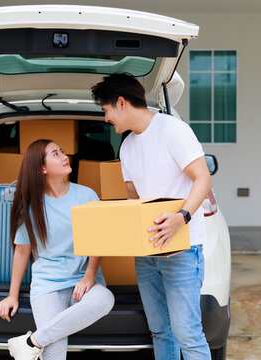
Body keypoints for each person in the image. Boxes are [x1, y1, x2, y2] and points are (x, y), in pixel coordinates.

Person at [91, 73, 213, 360]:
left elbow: (203, 179)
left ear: (121, 103)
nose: (106, 118)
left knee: (187, 334)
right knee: (160, 330)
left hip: (182, 249)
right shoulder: (128, 147)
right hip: (147, 253)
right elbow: (136, 199)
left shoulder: (173, 130)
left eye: (105, 110)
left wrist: (181, 217)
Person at [0, 139, 115, 360]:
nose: (64, 156)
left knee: (105, 299)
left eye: (62, 151)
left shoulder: (86, 195)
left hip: (83, 281)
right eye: (56, 154)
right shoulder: (31, 206)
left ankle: (31, 342)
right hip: (47, 286)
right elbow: (21, 252)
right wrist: (12, 295)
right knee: (54, 353)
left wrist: (88, 277)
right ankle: (39, 341)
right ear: (42, 168)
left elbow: (99, 240)